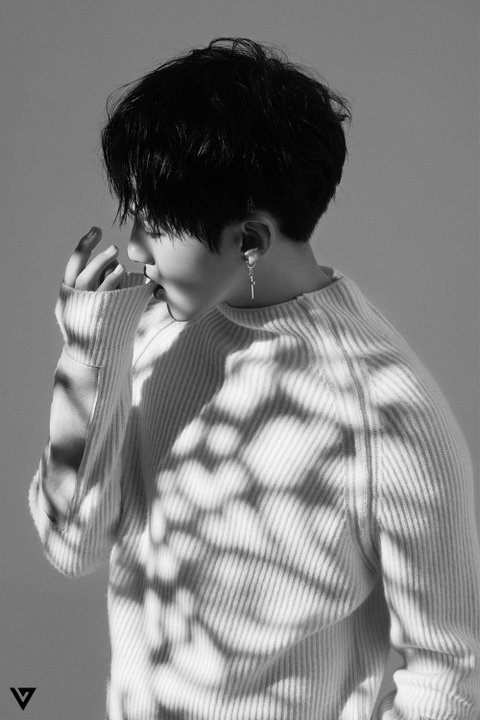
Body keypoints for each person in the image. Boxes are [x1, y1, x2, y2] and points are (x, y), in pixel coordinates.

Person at [28, 37, 480, 720]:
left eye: (155, 224)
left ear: (249, 240)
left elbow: (448, 674)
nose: (135, 249)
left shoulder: (383, 406)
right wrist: (88, 357)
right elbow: (72, 546)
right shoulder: (150, 330)